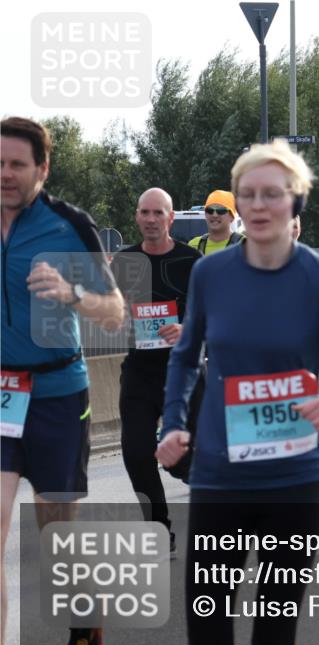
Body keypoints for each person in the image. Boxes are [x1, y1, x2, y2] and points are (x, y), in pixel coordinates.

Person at [156, 140, 319, 645]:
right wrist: (173, 424)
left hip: (295, 482)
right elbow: (184, 357)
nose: (259, 205)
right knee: (208, 642)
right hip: (220, 478)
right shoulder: (211, 274)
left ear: (295, 201)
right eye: (248, 195)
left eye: (272, 194)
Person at [1, 116, 125, 645]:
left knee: (57, 542)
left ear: (42, 169)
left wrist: (72, 291)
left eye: (16, 165)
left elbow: (116, 314)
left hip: (56, 396)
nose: (4, 174)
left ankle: (84, 622)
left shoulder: (67, 224)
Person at [110, 188, 201, 559]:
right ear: (136, 217)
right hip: (141, 372)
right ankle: (159, 529)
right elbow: (109, 316)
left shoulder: (192, 260)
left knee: (185, 457)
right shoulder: (124, 261)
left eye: (157, 213)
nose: (150, 219)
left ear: (170, 218)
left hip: (185, 370)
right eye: (144, 212)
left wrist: (187, 328)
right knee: (135, 452)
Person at [189, 190, 245, 255]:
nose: (214, 215)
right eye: (210, 210)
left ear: (232, 216)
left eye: (221, 211)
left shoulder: (245, 245)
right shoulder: (193, 245)